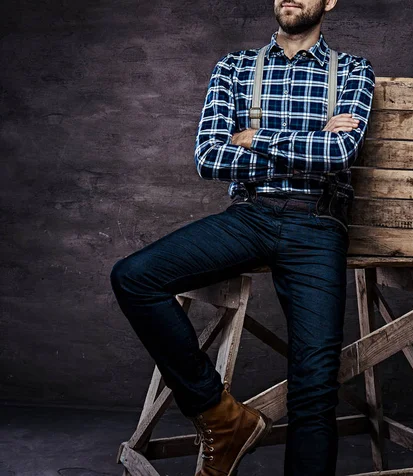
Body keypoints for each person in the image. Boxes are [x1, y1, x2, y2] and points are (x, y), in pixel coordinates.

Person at [110, 0, 375, 474]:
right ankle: (220, 413)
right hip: (251, 215)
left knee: (314, 384)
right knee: (134, 277)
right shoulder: (234, 68)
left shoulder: (354, 70)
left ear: (330, 1)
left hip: (318, 223)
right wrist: (309, 136)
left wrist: (254, 137)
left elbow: (338, 151)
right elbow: (209, 158)